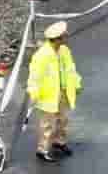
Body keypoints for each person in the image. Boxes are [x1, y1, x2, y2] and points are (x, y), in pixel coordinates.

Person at [27, 19, 81, 163]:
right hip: (48, 95)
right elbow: (34, 76)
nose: (67, 36)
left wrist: (76, 83)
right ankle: (42, 149)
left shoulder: (64, 51)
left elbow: (71, 69)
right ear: (57, 39)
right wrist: (34, 92)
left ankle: (59, 142)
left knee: (63, 120)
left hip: (62, 92)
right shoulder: (42, 55)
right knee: (48, 125)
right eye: (64, 35)